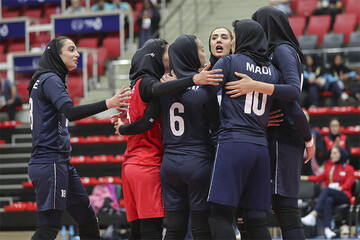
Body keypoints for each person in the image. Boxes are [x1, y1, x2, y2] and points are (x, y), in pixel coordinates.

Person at [110, 38, 222, 239]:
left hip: (163, 164)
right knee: (199, 227)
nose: (205, 54)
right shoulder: (168, 86)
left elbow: (145, 117)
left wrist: (124, 124)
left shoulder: (158, 87)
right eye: (202, 50)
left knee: (169, 229)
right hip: (175, 162)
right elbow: (216, 125)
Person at [224, 7, 315, 239]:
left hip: (284, 134)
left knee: (285, 209)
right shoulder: (276, 52)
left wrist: (254, 85)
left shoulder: (283, 50)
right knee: (277, 207)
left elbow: (293, 92)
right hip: (276, 133)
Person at [27, 36, 130, 240]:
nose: (77, 54)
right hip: (50, 162)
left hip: (59, 162)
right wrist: (108, 103)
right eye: (71, 50)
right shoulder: (50, 79)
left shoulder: (44, 80)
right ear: (57, 55)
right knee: (48, 228)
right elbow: (71, 112)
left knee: (88, 221)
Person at [205, 19, 283, 240]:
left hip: (230, 145)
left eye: (227, 36)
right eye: (214, 37)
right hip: (253, 146)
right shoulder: (271, 70)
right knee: (254, 218)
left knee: (223, 215)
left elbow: (199, 97)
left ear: (235, 41)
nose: (220, 40)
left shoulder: (229, 63)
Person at [301, 146, 355, 239]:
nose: (331, 155)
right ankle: (327, 229)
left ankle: (314, 214)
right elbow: (318, 178)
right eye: (331, 153)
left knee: (327, 189)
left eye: (334, 153)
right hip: (332, 196)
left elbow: (349, 184)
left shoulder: (349, 168)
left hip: (344, 195)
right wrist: (303, 177)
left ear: (340, 155)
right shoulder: (330, 167)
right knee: (328, 200)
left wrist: (339, 187)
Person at [302, 109, 327, 176]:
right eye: (302, 115)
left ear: (309, 117)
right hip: (298, 165)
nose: (305, 117)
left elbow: (321, 150)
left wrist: (318, 163)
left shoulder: (316, 133)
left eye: (306, 115)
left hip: (312, 167)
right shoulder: (293, 132)